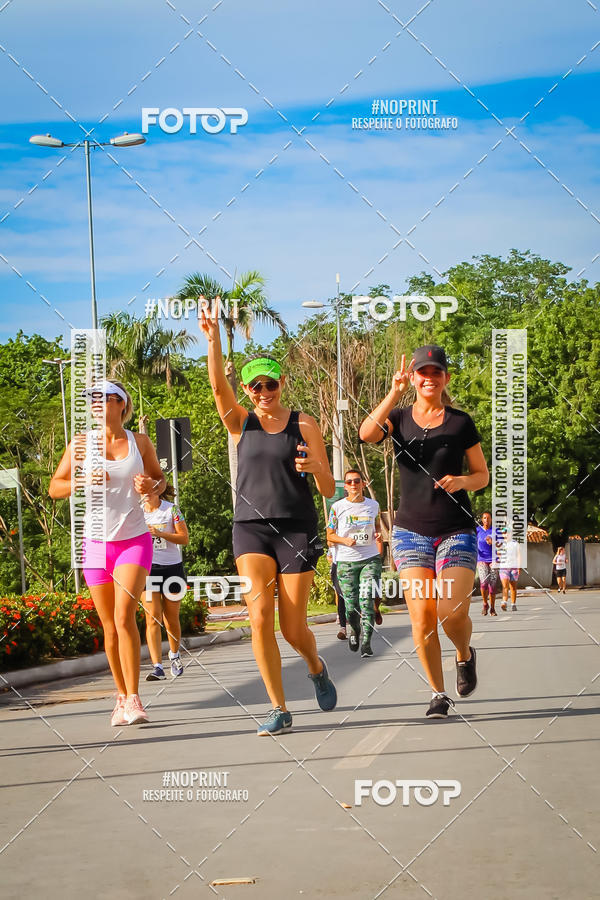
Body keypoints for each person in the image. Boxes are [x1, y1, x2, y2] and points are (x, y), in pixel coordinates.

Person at [199, 305, 337, 736]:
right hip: (251, 528)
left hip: (296, 528)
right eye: (255, 385)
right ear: (247, 388)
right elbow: (218, 386)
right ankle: (279, 707)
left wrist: (315, 467)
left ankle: (315, 666)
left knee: (293, 627)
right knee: (259, 618)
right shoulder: (241, 421)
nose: (264, 391)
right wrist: (214, 339)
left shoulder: (305, 422)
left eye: (270, 383)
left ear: (281, 384)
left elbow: (330, 488)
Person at [359, 345, 489, 718]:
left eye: (436, 372)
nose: (429, 378)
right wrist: (393, 392)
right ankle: (438, 693)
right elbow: (367, 434)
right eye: (422, 372)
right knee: (421, 617)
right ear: (413, 377)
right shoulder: (397, 418)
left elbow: (482, 475)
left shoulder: (460, 422)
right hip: (410, 532)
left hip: (456, 530)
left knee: (450, 611)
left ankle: (465, 655)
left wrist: (462, 480)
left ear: (445, 377)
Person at [49, 380, 165, 726]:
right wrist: (82, 481)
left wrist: (150, 486)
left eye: (105, 398)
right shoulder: (81, 444)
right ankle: (120, 697)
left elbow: (160, 482)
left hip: (133, 538)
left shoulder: (139, 442)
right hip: (95, 544)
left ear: (121, 403)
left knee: (124, 615)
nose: (97, 403)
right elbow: (55, 487)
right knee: (109, 626)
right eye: (93, 398)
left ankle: (134, 698)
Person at [326, 470, 383, 657]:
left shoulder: (373, 505)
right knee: (351, 606)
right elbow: (329, 535)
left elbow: (375, 527)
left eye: (356, 481)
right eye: (349, 482)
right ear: (346, 486)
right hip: (346, 562)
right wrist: (344, 540)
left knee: (366, 601)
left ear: (363, 483)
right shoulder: (337, 507)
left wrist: (377, 534)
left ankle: (366, 643)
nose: (352, 485)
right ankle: (356, 630)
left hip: (370, 559)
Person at [141, 484, 190, 680]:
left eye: (148, 489)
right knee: (152, 617)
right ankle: (157, 666)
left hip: (172, 569)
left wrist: (159, 533)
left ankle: (174, 655)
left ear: (157, 489)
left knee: (171, 618)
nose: (144, 493)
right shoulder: (136, 513)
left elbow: (184, 538)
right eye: (141, 491)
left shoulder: (171, 510)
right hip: (149, 570)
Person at [476, 512, 499, 616]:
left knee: (492, 585)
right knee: (484, 582)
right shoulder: (477, 530)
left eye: (489, 518)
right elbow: (472, 542)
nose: (486, 520)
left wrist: (493, 542)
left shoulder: (495, 531)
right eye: (485, 518)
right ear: (482, 519)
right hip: (481, 559)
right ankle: (485, 604)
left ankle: (493, 608)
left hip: (494, 559)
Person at [327, 544, 347, 640]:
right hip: (337, 565)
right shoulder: (332, 529)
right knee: (340, 596)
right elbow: (329, 542)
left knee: (353, 595)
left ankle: (356, 625)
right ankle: (343, 628)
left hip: (351, 562)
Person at [498, 529, 521, 611]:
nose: (505, 535)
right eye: (504, 533)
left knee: (513, 587)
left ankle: (513, 604)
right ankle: (504, 602)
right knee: (505, 585)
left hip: (514, 568)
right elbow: (498, 554)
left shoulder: (515, 544)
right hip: (504, 568)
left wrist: (519, 567)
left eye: (507, 533)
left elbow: (518, 555)